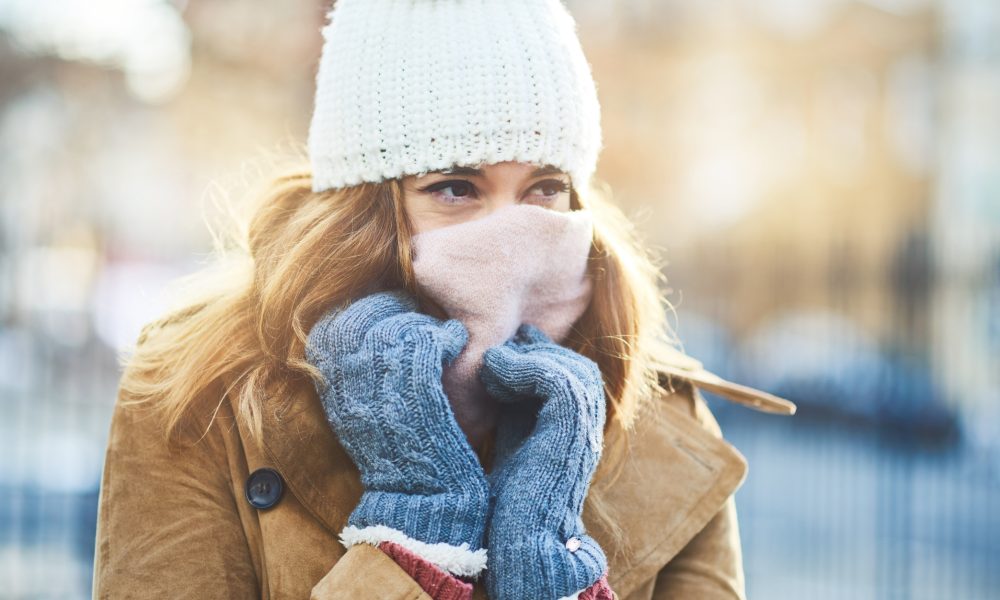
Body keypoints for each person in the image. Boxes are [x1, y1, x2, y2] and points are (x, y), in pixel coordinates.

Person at [92, 1, 796, 598]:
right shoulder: (201, 394)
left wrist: (552, 572)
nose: (511, 233)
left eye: (544, 187)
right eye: (456, 187)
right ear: (364, 207)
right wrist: (412, 542)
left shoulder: (663, 422)